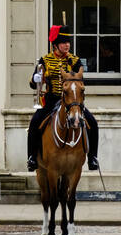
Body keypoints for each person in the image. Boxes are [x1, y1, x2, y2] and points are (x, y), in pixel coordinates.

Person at [26, 25, 100, 172]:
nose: (67, 45)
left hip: (72, 101)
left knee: (93, 123)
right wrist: (36, 78)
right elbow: (33, 85)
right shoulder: (45, 60)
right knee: (35, 122)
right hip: (52, 99)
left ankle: (92, 157)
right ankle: (32, 157)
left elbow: (81, 82)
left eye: (68, 42)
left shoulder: (75, 60)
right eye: (63, 42)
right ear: (55, 45)